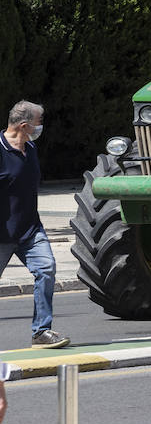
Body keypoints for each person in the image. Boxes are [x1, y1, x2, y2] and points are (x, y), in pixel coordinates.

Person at [0, 101, 69, 349]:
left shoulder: (30, 148)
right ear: (24, 125)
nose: (41, 126)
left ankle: (41, 331)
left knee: (46, 269)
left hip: (30, 231)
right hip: (2, 233)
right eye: (39, 122)